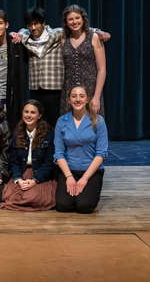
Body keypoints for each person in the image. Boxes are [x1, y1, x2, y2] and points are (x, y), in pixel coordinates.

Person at [17, 7, 110, 127]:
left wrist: (99, 31)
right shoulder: (25, 36)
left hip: (71, 88)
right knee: (48, 125)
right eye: (30, 25)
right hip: (48, 88)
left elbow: (81, 29)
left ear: (43, 24)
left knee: (85, 124)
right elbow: (12, 33)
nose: (33, 28)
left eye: (36, 24)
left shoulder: (58, 34)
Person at [54, 84, 108, 214]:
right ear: (68, 100)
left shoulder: (98, 121)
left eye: (81, 96)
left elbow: (101, 154)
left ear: (87, 99)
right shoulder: (62, 121)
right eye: (74, 96)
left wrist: (84, 179)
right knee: (63, 206)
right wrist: (69, 177)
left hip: (90, 172)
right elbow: (59, 154)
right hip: (69, 170)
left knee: (84, 207)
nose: (78, 99)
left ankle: (90, 192)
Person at [0, 100, 57, 211]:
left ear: (39, 115)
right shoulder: (17, 134)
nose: (29, 115)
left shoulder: (49, 135)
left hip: (39, 173)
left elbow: (48, 163)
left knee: (35, 197)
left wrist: (34, 180)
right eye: (26, 112)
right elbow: (14, 162)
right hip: (22, 172)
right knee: (10, 196)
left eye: (33, 112)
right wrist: (19, 180)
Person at [60, 5, 106, 117]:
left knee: (92, 125)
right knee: (70, 126)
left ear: (82, 19)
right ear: (66, 22)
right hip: (70, 91)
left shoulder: (94, 37)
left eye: (77, 18)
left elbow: (102, 70)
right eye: (70, 19)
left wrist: (96, 96)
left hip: (90, 89)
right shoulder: (63, 39)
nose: (74, 22)